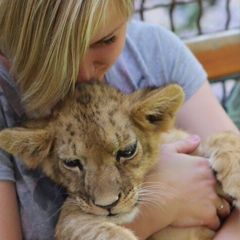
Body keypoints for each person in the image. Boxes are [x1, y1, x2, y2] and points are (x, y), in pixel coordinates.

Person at [0, 1, 239, 240]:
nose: (83, 74)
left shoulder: (155, 53)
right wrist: (160, 206)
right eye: (52, 51)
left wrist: (225, 149)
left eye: (106, 40)